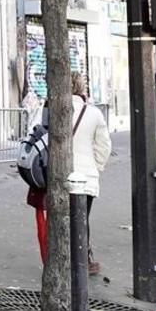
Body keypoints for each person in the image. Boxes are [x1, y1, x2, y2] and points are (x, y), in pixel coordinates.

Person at [69, 74, 112, 275]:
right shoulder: (93, 113)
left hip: (55, 176)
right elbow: (103, 146)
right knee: (82, 218)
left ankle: (59, 256)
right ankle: (82, 260)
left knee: (60, 217)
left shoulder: (48, 109)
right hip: (85, 174)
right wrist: (97, 167)